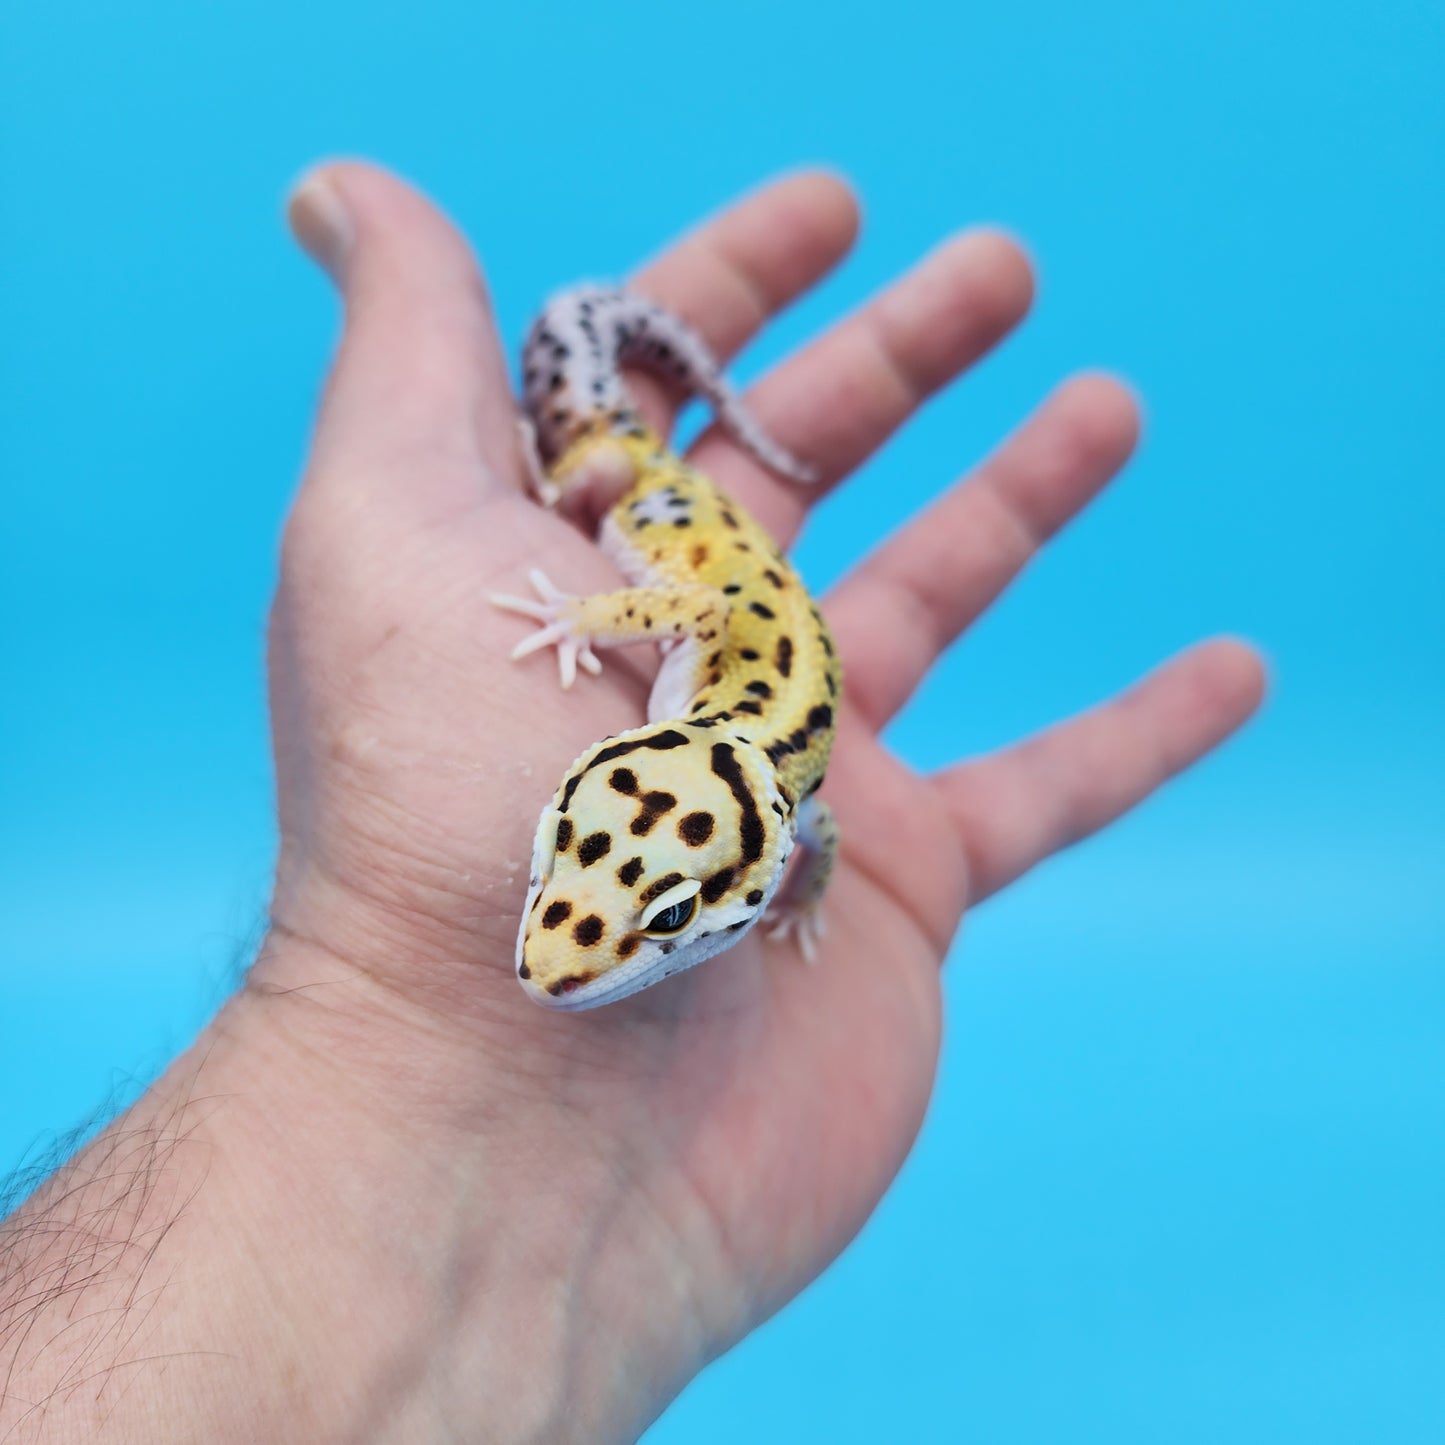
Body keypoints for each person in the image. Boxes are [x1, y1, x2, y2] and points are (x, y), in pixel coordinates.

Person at [0, 162, 1263, 1442]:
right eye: (575, 882)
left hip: (713, 577)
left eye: (642, 918)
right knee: (598, 446)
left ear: (741, 880)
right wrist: (581, 608)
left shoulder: (777, 810)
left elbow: (803, 833)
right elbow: (697, 614)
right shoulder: (700, 723)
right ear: (590, 792)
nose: (554, 948)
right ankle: (610, 394)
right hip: (669, 516)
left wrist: (794, 877)